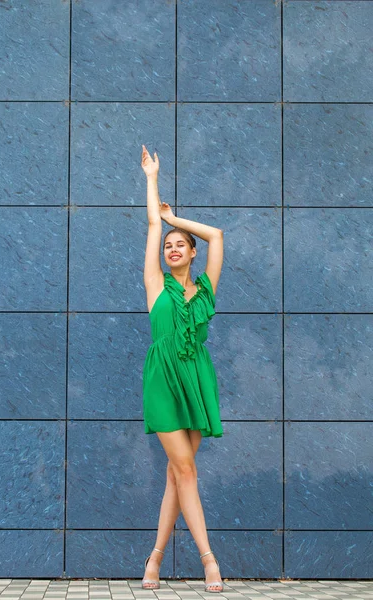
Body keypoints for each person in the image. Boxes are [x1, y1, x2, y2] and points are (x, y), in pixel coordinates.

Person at [140, 145, 224, 593]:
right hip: (163, 380)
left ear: (191, 254)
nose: (171, 248)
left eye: (178, 246)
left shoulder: (206, 291)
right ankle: (209, 560)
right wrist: (153, 180)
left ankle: (154, 559)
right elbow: (152, 224)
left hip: (197, 378)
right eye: (168, 246)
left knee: (180, 470)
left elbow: (217, 234)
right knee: (186, 470)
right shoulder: (156, 285)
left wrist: (179, 221)